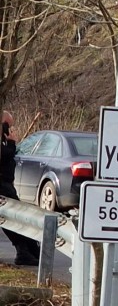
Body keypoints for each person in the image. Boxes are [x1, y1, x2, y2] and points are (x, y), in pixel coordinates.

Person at [0, 111, 39, 266]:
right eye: (7, 125)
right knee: (12, 219)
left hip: (7, 184)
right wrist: (11, 143)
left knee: (18, 218)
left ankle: (30, 249)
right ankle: (23, 251)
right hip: (2, 186)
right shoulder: (5, 143)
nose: (9, 129)